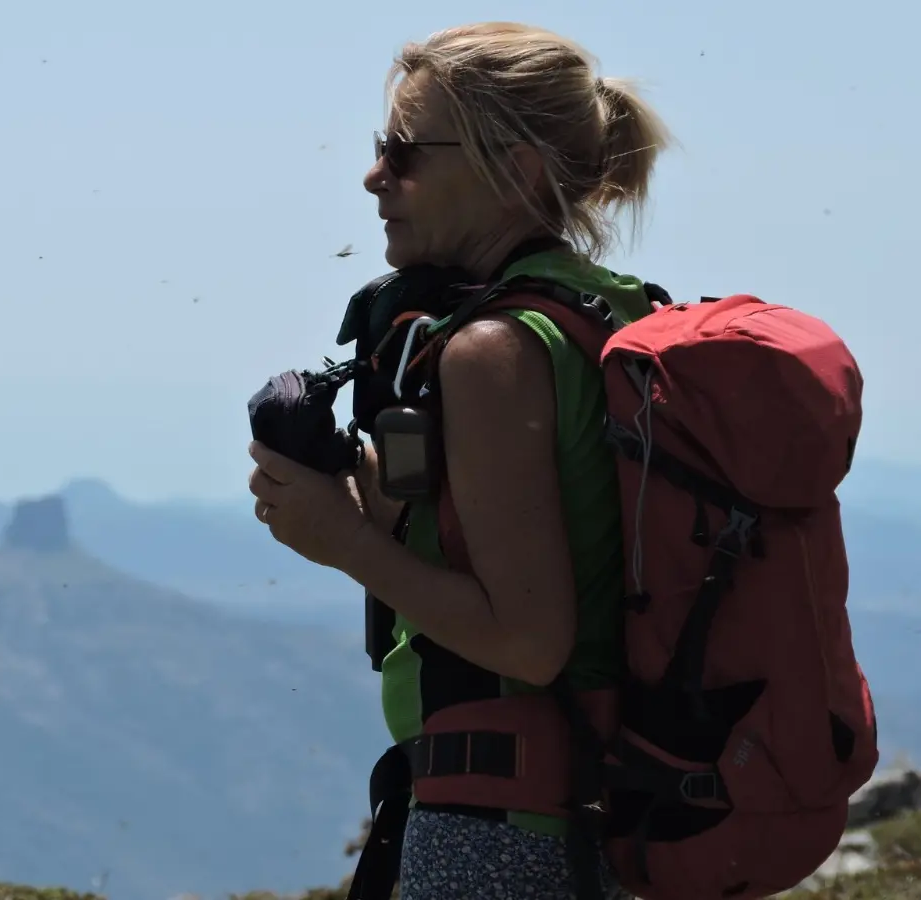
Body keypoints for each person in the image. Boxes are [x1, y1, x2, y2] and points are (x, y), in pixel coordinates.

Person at [247, 20, 671, 900]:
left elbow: (527, 639)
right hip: (602, 803)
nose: (374, 177)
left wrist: (344, 542)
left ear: (513, 170)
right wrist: (356, 491)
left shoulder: (490, 352)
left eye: (404, 153)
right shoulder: (608, 312)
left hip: (503, 829)